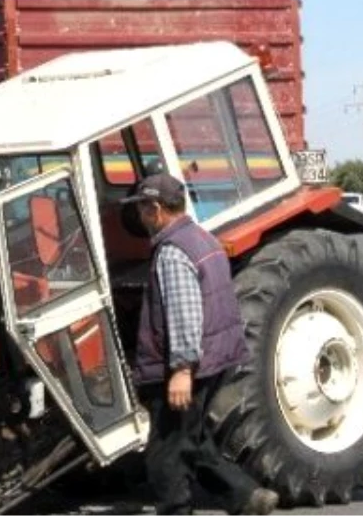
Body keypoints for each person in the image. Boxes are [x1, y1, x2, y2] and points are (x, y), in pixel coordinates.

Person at [120, 173, 279, 516]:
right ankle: (245, 496)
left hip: (189, 366)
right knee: (190, 438)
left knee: (166, 453)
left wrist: (181, 370)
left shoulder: (173, 252)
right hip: (217, 360)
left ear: (156, 209)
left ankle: (177, 510)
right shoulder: (203, 238)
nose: (140, 217)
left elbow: (184, 314)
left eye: (142, 209)